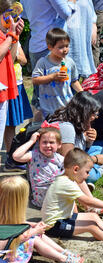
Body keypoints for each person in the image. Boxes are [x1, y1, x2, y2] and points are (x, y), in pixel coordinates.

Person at [41, 148, 103, 253]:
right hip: (54, 225)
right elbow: (86, 201)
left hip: (63, 218)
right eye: (87, 172)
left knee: (93, 216)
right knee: (91, 226)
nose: (88, 175)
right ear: (75, 169)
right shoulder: (66, 184)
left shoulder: (66, 179)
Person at [0, 176, 85, 263]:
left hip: (10, 242)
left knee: (37, 232)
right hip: (5, 251)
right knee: (34, 239)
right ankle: (63, 259)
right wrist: (35, 231)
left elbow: (16, 223)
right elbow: (15, 238)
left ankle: (62, 251)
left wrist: (33, 225)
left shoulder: (5, 210)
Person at [47, 91, 103, 187]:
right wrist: (94, 159)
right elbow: (69, 162)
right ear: (84, 112)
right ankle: (102, 169)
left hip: (78, 156)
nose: (95, 117)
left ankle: (92, 168)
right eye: (93, 113)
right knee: (91, 176)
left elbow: (80, 146)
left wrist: (88, 140)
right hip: (64, 167)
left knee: (98, 149)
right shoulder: (67, 128)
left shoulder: (75, 119)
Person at [21, 0, 77, 115]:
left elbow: (25, 14)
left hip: (36, 42)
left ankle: (36, 128)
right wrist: (71, 2)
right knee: (57, 95)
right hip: (52, 44)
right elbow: (66, 13)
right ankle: (45, 128)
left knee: (39, 97)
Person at [32, 28, 82, 118]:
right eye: (61, 47)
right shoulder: (43, 62)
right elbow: (35, 80)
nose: (65, 50)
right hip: (48, 109)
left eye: (67, 46)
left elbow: (74, 81)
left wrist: (83, 93)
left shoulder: (70, 62)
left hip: (67, 106)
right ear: (50, 47)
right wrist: (53, 77)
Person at [12, 125, 63, 208]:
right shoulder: (34, 155)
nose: (48, 145)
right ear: (39, 143)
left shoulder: (61, 159)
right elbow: (16, 156)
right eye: (44, 142)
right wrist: (31, 141)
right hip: (40, 200)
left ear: (59, 144)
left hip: (56, 199)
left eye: (51, 142)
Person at [3, 36, 32, 160]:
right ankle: (10, 155)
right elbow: (12, 58)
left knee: (11, 123)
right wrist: (13, 55)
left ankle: (10, 155)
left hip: (17, 83)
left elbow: (24, 60)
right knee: (6, 123)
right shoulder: (6, 40)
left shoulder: (14, 39)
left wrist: (12, 54)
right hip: (5, 85)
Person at [0, 0, 23, 155]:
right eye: (9, 14)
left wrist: (16, 36)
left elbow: (13, 57)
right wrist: (10, 36)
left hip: (4, 89)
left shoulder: (4, 34)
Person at [66, 0, 97, 78]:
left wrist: (94, 26)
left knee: (82, 62)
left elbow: (91, 10)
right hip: (68, 34)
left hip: (83, 33)